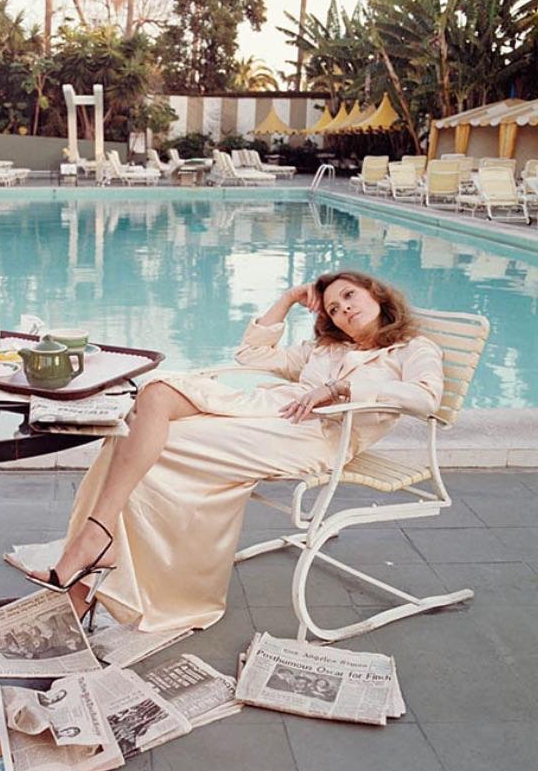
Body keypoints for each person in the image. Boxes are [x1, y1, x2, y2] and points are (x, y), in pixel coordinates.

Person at [25, 271, 444, 632]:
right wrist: (288, 299)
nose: (343, 310)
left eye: (349, 296)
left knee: (143, 445)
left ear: (377, 294)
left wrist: (340, 387)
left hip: (316, 437)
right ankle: (95, 544)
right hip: (270, 412)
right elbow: (252, 355)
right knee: (152, 398)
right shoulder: (327, 349)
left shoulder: (413, 349)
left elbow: (425, 399)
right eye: (332, 308)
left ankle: (80, 581)